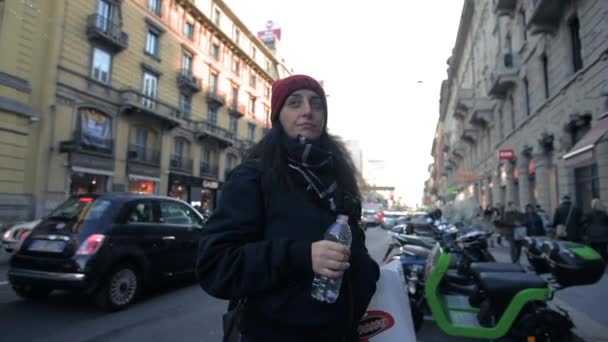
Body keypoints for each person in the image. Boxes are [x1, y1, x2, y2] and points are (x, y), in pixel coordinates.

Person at [195, 75, 380, 342]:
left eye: (316, 104)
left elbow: (355, 244)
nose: (308, 110)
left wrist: (367, 276)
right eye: (295, 103)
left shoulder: (338, 176)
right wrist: (303, 255)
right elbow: (216, 265)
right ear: (278, 116)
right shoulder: (253, 176)